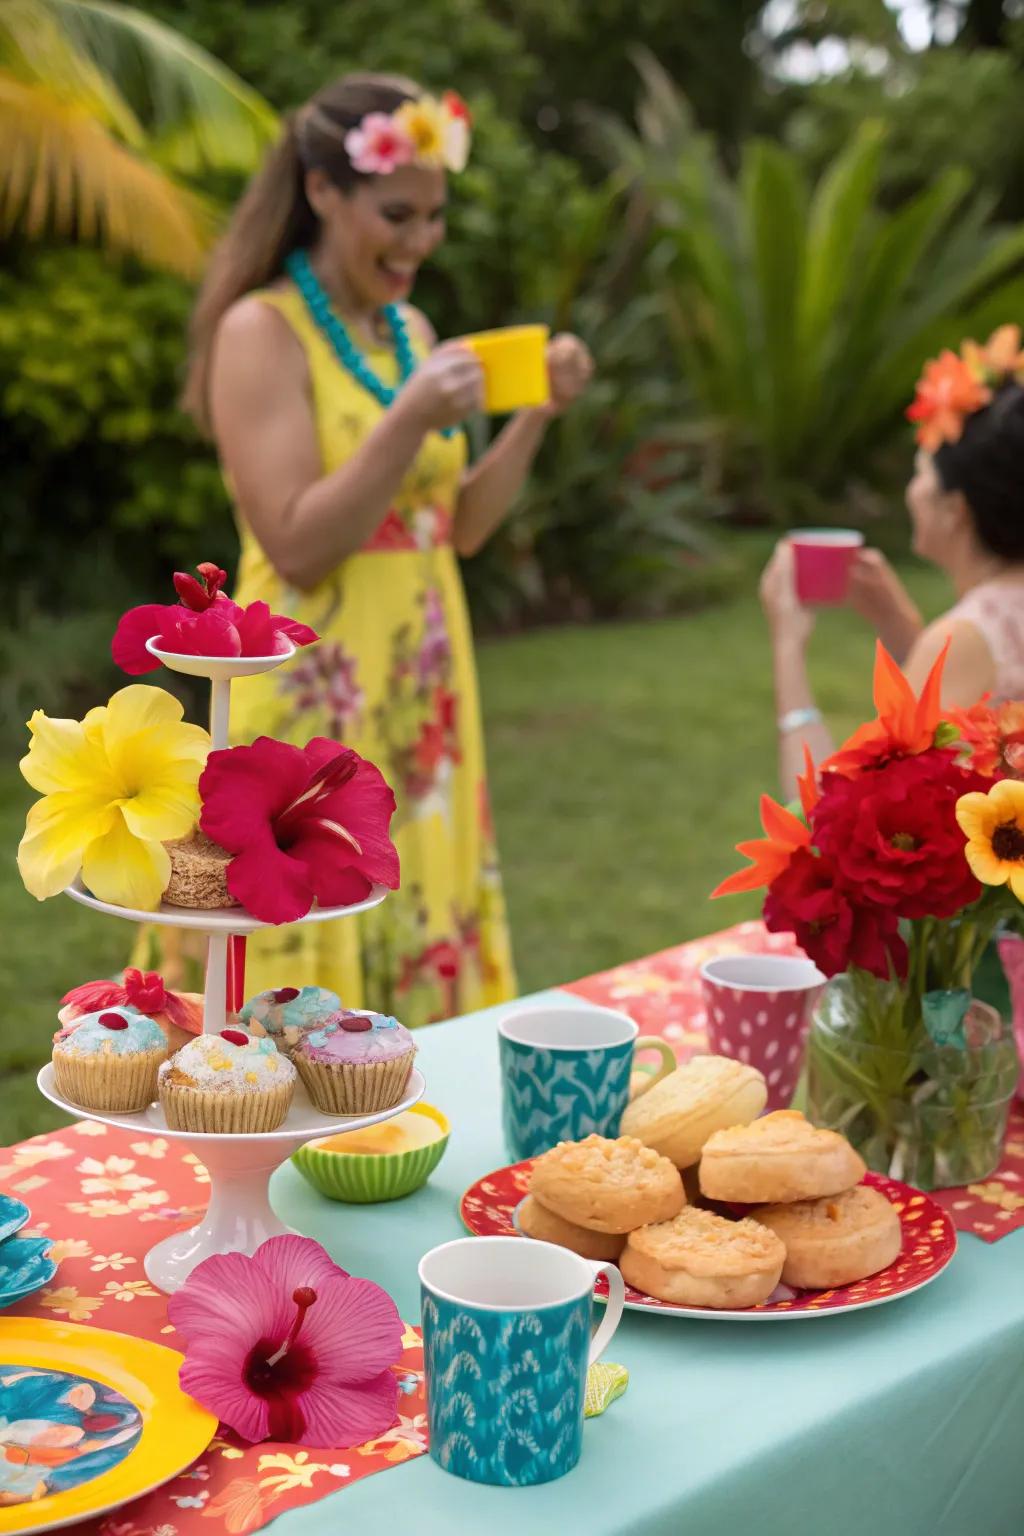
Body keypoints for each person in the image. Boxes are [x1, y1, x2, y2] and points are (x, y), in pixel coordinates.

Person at [168, 73, 593, 1024]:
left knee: (411, 923)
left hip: (421, 695)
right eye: (398, 214)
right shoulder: (260, 331)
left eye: (435, 218)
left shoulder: (411, 334)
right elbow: (298, 542)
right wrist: (407, 418)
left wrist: (531, 416)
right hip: (316, 693)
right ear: (323, 190)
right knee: (296, 957)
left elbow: (463, 526)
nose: (420, 242)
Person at [761, 330, 1024, 801]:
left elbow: (838, 822)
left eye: (921, 474)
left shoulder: (968, 637)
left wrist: (788, 647)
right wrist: (900, 628)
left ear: (955, 510)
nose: (912, 491)